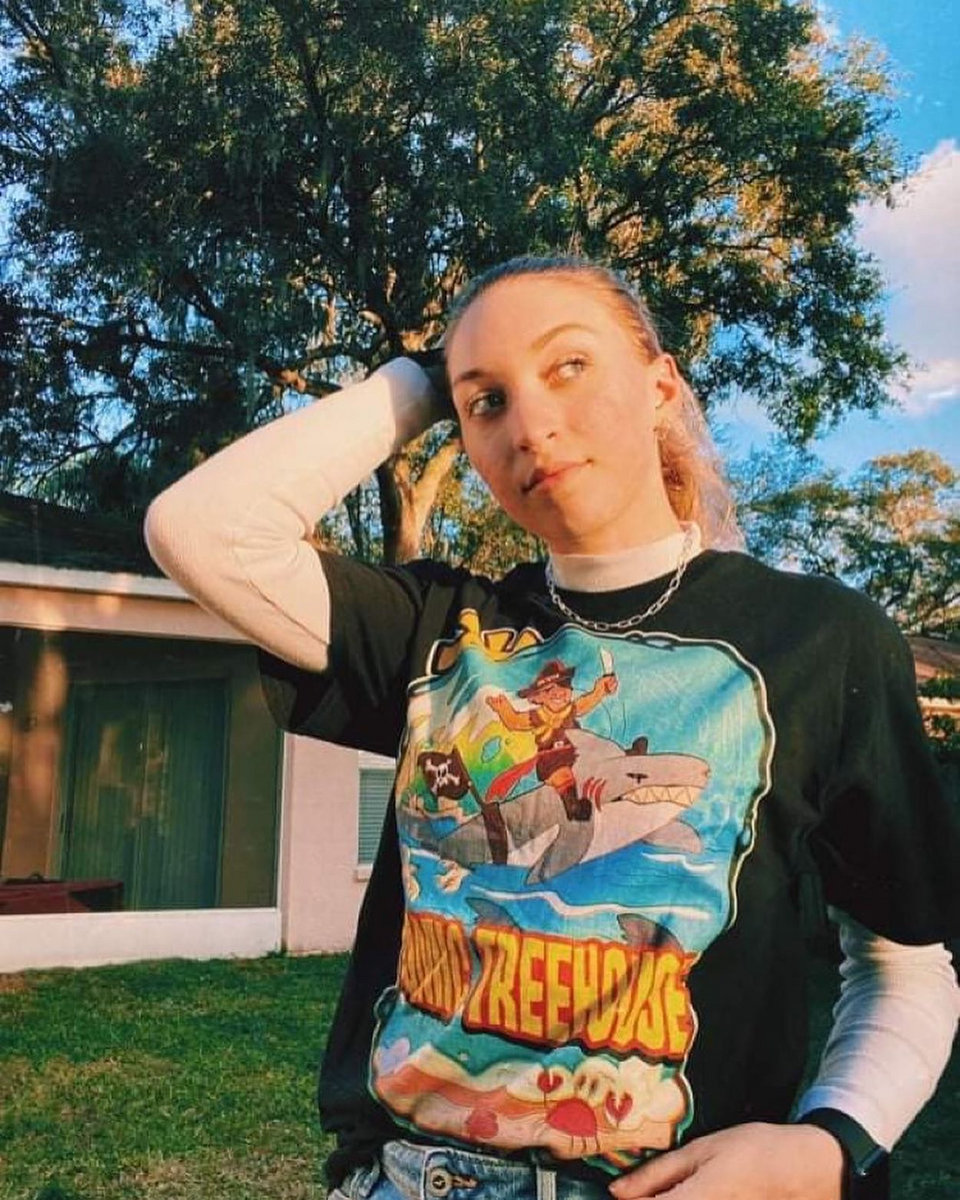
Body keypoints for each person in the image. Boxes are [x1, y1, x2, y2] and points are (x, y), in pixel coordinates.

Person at [145, 256, 960, 1200]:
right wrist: (421, 378)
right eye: (487, 402)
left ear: (661, 387)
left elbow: (905, 962)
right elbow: (201, 530)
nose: (530, 426)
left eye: (568, 365)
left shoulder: (822, 638)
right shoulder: (437, 628)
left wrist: (833, 1144)